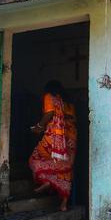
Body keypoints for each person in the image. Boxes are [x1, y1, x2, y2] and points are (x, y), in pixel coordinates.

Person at [29, 80, 77, 211]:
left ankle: (46, 181)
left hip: (54, 138)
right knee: (65, 169)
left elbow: (49, 113)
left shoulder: (49, 97)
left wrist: (39, 126)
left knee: (35, 158)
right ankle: (64, 204)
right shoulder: (68, 103)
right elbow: (74, 119)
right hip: (71, 138)